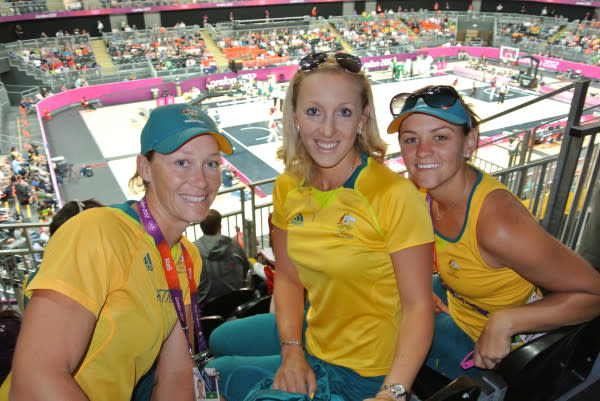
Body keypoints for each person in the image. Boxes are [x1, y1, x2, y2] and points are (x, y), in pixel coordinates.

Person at [208, 52, 434, 401]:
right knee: (217, 359)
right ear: (295, 116)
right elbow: (286, 277)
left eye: (344, 112)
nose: (327, 130)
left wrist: (393, 391)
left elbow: (419, 306)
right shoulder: (287, 186)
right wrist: (292, 351)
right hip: (314, 346)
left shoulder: (395, 196)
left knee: (224, 378)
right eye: (314, 111)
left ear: (363, 118)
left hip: (370, 373)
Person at [0, 103, 233, 401]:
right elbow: (35, 381)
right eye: (182, 163)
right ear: (145, 168)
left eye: (211, 163)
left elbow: (174, 374)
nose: (201, 180)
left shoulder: (187, 257)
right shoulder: (97, 232)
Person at [387, 85, 600, 380]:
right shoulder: (422, 193)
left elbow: (593, 294)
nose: (423, 152)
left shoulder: (498, 223)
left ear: (469, 143)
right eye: (411, 140)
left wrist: (507, 321)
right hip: (460, 303)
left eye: (440, 137)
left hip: (500, 348)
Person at [194, 209, 251, 309]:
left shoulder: (193, 250)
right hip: (236, 304)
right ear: (220, 227)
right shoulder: (234, 244)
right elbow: (245, 269)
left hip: (207, 309)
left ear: (201, 227)